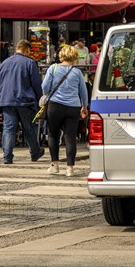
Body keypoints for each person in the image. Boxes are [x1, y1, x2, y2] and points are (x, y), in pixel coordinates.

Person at [42, 45, 89, 177]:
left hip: (55, 106)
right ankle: (70, 168)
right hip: (73, 107)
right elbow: (83, 92)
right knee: (70, 137)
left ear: (61, 56)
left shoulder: (53, 68)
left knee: (53, 135)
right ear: (74, 57)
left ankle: (55, 165)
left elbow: (44, 88)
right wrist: (84, 107)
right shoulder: (77, 72)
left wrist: (48, 92)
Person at [0, 40, 45, 164]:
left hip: (7, 100)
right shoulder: (30, 63)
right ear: (27, 50)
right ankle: (35, 153)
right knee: (29, 128)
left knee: (8, 129)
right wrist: (41, 99)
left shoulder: (4, 63)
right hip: (25, 101)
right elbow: (36, 84)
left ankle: (7, 156)